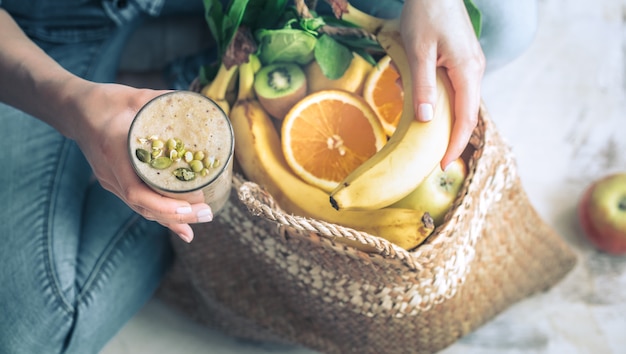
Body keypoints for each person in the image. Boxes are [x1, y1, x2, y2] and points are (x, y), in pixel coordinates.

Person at [0, 0, 536, 353]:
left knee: (506, 21)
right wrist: (70, 102)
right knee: (27, 335)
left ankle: (202, 82)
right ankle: (185, 98)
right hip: (48, 29)